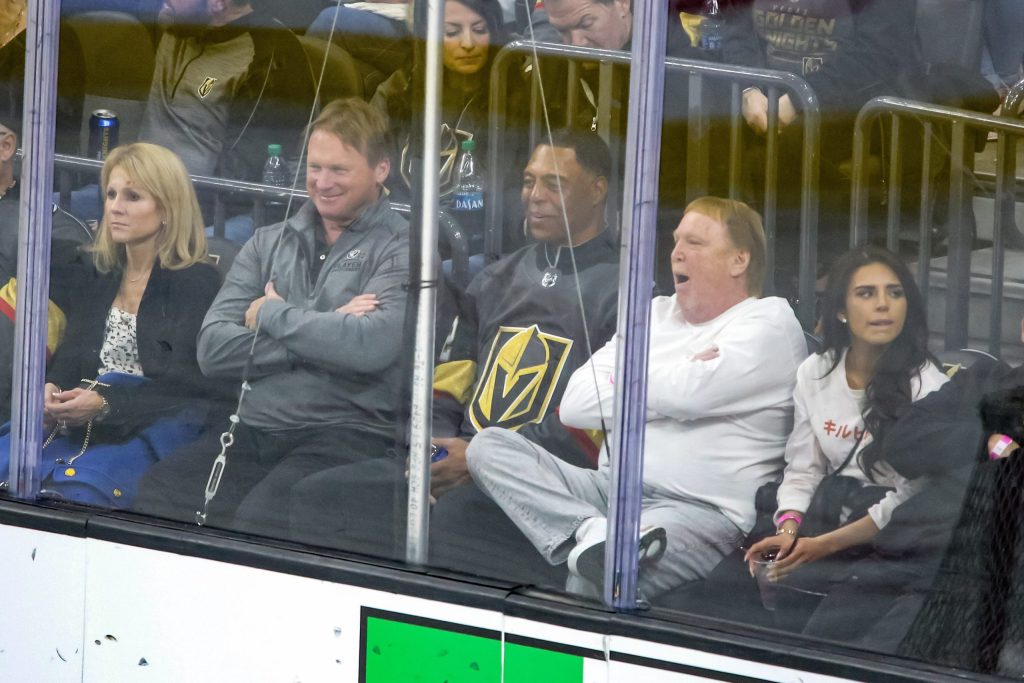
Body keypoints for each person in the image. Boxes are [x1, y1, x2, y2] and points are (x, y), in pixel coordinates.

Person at [286, 130, 618, 587]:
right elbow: (449, 378)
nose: (535, 196)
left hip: (538, 483)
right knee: (317, 496)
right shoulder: (496, 279)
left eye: (554, 183)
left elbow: (599, 420)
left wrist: (480, 460)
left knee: (451, 525)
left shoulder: (624, 291)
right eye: (528, 181)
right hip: (451, 462)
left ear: (598, 190)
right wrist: (436, 450)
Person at [466, 197, 807, 599]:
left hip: (700, 512)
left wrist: (631, 379)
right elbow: (577, 403)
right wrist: (683, 371)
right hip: (610, 489)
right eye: (676, 241)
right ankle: (588, 530)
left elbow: (688, 396)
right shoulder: (655, 313)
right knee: (488, 446)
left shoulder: (769, 323)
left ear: (739, 260)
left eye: (695, 243)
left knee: (604, 573)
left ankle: (603, 553)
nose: (676, 253)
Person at [134, 98, 410, 537]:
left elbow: (369, 346)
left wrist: (271, 312)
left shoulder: (402, 247)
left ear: (380, 169)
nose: (323, 182)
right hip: (254, 426)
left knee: (259, 523)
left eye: (339, 170)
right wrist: (325, 325)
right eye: (315, 167)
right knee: (161, 491)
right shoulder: (268, 242)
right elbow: (213, 349)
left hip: (346, 432)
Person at [737, 246, 948, 631]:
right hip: (828, 516)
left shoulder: (928, 386)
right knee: (732, 589)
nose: (883, 304)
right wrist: (788, 532)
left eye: (895, 293)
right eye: (866, 293)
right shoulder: (815, 372)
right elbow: (804, 469)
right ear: (840, 310)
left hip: (890, 538)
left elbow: (911, 498)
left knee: (820, 628)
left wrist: (821, 546)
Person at [3, 143, 221, 507]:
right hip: (83, 420)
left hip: (150, 425)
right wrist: (50, 387)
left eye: (133, 197)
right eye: (111, 194)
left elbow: (185, 386)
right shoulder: (101, 269)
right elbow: (74, 353)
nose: (116, 207)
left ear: (168, 208)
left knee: (75, 493)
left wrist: (106, 403)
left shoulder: (195, 281)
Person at [140, 0, 316, 184]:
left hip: (200, 191)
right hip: (143, 176)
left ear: (218, 3)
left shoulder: (271, 57)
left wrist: (173, 187)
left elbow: (245, 171)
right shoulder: (175, 20)